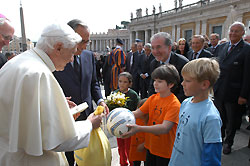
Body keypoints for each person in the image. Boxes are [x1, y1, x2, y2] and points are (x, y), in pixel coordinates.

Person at [0, 23, 103, 166]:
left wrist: (56, 108)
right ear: (58, 47)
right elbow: (58, 139)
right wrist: (89, 125)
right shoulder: (38, 73)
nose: (72, 59)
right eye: (72, 53)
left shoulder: (18, 63)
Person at [53, 19, 108, 166]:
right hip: (66, 118)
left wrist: (101, 100)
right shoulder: (54, 59)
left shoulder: (88, 56)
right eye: (81, 41)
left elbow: (93, 83)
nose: (84, 46)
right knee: (69, 159)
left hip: (88, 115)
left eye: (87, 42)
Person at [123, 64, 181, 166]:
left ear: (170, 84)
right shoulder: (153, 98)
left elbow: (164, 128)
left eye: (160, 81)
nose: (155, 84)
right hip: (151, 148)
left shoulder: (174, 104)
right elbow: (136, 113)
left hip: (165, 152)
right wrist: (118, 115)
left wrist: (139, 128)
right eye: (154, 80)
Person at [169, 58, 222, 166]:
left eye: (187, 81)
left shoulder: (211, 118)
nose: (182, 83)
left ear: (204, 84)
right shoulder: (185, 102)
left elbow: (211, 158)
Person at [213, 21, 250, 155]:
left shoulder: (247, 49)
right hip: (219, 90)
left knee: (232, 120)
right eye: (231, 30)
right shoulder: (222, 47)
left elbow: (247, 75)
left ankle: (229, 142)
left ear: (242, 33)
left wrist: (243, 95)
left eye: (236, 31)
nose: (233, 33)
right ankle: (220, 139)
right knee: (219, 118)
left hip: (235, 93)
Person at [148, 32, 189, 102]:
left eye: (158, 47)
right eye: (153, 48)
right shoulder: (153, 63)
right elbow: (152, 88)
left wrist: (169, 104)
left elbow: (184, 91)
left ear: (169, 47)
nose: (155, 51)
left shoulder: (183, 63)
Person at [113, 72, 140, 166]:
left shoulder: (133, 95)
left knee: (129, 146)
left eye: (125, 82)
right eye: (120, 81)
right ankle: (123, 163)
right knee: (120, 146)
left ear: (130, 83)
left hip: (129, 125)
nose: (121, 84)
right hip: (117, 125)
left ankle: (132, 162)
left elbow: (138, 108)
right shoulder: (114, 93)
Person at [129, 98, 148, 166]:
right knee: (136, 163)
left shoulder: (149, 120)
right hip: (135, 147)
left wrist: (143, 145)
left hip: (145, 147)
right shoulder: (134, 118)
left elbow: (152, 136)